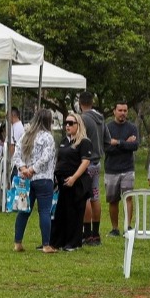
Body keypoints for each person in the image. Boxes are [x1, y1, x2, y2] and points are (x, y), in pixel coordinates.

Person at [12, 108, 57, 253]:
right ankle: (46, 244)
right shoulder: (48, 137)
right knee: (44, 211)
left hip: (25, 179)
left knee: (24, 211)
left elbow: (16, 154)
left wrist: (24, 168)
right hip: (43, 178)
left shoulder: (26, 135)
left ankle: (17, 243)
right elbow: (46, 157)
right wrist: (33, 169)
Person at [49, 112, 92, 251]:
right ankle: (59, 241)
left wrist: (74, 177)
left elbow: (85, 162)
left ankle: (74, 242)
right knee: (61, 212)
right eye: (66, 123)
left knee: (75, 212)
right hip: (62, 181)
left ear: (78, 125)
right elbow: (59, 159)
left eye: (71, 123)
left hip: (76, 182)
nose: (67, 126)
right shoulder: (64, 141)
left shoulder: (84, 142)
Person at [103, 102, 140, 237]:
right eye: (120, 110)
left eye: (125, 110)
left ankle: (128, 227)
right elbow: (107, 148)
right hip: (111, 169)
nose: (123, 113)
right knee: (113, 200)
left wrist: (117, 142)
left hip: (127, 169)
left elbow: (135, 146)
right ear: (114, 111)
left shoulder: (132, 128)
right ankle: (115, 228)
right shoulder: (107, 128)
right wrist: (125, 142)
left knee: (127, 197)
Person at [78, 92, 107, 247]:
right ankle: (96, 234)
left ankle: (87, 233)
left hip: (86, 162)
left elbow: (78, 140)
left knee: (85, 198)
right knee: (95, 196)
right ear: (93, 102)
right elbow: (107, 140)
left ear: (80, 102)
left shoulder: (82, 119)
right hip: (97, 163)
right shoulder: (101, 119)